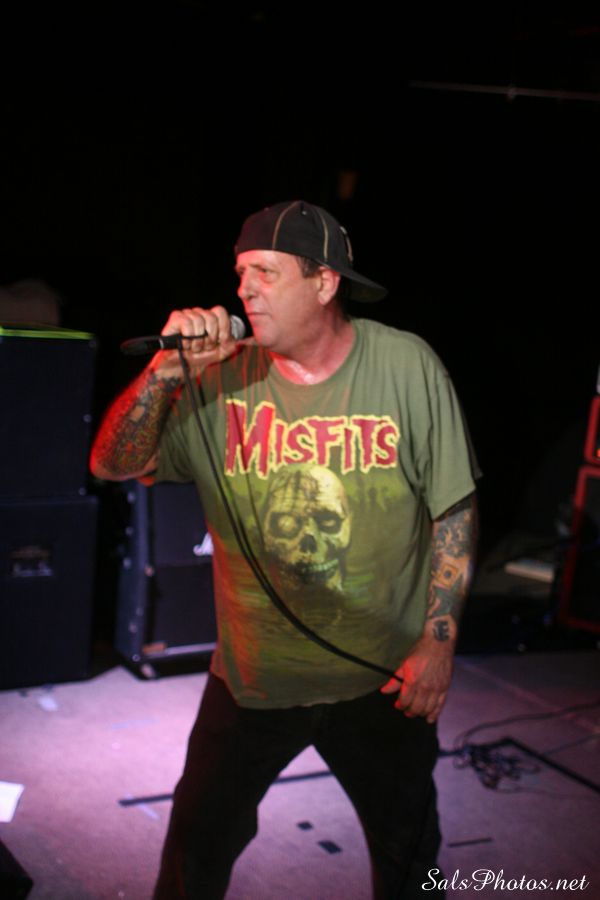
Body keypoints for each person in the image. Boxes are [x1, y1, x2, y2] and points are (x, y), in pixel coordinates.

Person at [91, 200, 479, 899]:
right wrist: (165, 372)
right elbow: (112, 464)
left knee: (410, 860)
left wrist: (438, 641)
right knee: (194, 856)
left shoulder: (406, 365)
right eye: (240, 273)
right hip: (254, 677)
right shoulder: (218, 375)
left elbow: (453, 506)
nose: (244, 290)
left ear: (324, 282)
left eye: (265, 272)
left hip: (381, 677)